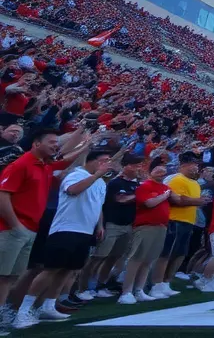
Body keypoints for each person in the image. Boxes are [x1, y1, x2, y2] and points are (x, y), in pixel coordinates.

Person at [12, 149, 116, 328]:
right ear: (91, 161)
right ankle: (23, 310)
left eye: (108, 160)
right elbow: (73, 190)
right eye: (103, 160)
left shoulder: (101, 182)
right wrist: (98, 174)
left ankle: (48, 305)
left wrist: (99, 226)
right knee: (50, 270)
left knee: (68, 270)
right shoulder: (76, 175)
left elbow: (98, 205)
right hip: (66, 229)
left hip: (85, 232)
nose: (107, 164)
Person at [0, 129, 66, 328]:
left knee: (11, 277)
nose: (56, 145)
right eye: (52, 142)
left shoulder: (44, 165)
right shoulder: (20, 165)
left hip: (29, 229)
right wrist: (15, 225)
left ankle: (3, 314)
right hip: (13, 229)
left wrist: (85, 144)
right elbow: (3, 196)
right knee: (2, 275)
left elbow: (66, 159)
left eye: (57, 142)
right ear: (36, 144)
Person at [76, 155, 143, 300]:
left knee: (113, 258)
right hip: (112, 224)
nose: (139, 168)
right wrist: (140, 194)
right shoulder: (115, 183)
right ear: (126, 166)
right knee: (98, 257)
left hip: (128, 226)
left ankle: (101, 286)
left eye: (139, 165)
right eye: (135, 164)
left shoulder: (136, 185)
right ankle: (82, 288)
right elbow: (121, 199)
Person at [148, 152, 208, 298]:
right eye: (194, 164)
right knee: (166, 254)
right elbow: (176, 199)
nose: (196, 168)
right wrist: (198, 201)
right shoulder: (176, 179)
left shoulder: (194, 183)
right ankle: (156, 284)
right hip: (174, 220)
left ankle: (166, 282)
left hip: (188, 221)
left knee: (180, 254)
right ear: (184, 165)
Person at [119, 164, 172, 304]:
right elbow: (149, 203)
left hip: (161, 226)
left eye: (164, 172)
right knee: (136, 258)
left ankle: (139, 290)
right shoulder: (145, 186)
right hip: (145, 226)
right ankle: (126, 292)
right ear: (151, 172)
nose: (162, 173)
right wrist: (165, 195)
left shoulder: (166, 187)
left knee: (149, 260)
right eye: (158, 170)